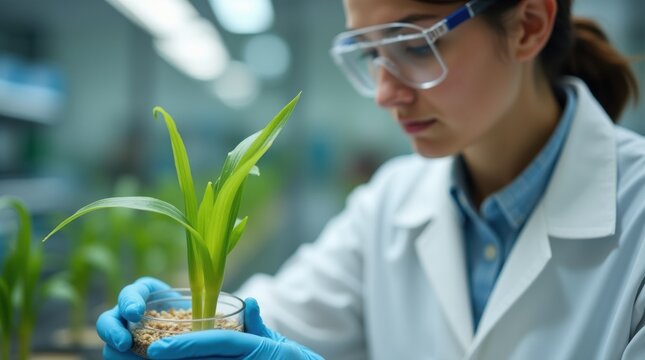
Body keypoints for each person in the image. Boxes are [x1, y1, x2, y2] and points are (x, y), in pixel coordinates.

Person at [96, 0, 645, 358]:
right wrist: (187, 316)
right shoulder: (389, 202)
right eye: (370, 54)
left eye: (414, 46)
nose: (385, 93)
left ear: (528, 26)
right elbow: (272, 320)